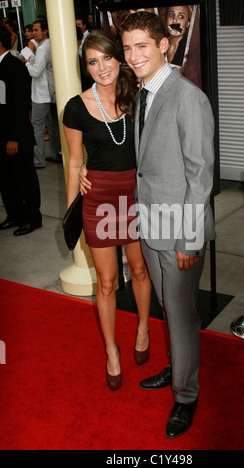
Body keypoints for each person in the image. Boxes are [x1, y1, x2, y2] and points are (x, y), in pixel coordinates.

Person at [119, 11, 216, 438]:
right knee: (169, 313)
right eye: (127, 47)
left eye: (142, 45)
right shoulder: (145, 94)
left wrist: (189, 241)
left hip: (179, 231)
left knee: (180, 316)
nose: (133, 55)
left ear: (164, 45)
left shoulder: (186, 96)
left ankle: (186, 395)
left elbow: (201, 176)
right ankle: (178, 366)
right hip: (152, 224)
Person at [63, 30, 152, 392]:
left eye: (107, 58)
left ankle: (144, 326)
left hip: (136, 194)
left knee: (140, 268)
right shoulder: (75, 107)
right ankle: (112, 350)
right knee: (107, 282)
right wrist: (73, 211)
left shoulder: (138, 96)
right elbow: (73, 164)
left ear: (119, 58)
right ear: (86, 67)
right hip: (98, 198)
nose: (102, 67)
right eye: (92, 61)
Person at [0, 26, 42, 236]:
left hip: (16, 136)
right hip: (2, 134)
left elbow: (20, 105)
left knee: (24, 178)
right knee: (6, 179)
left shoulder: (14, 66)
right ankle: (14, 214)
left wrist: (14, 138)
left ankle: (32, 218)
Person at [24, 19, 61, 168]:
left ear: (45, 31)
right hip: (51, 90)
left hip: (42, 93)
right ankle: (56, 153)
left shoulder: (42, 48)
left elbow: (35, 71)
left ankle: (38, 160)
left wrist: (26, 62)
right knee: (52, 126)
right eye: (32, 30)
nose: (33, 33)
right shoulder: (49, 44)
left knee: (37, 126)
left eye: (36, 30)